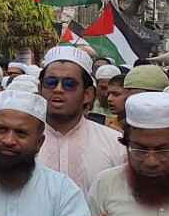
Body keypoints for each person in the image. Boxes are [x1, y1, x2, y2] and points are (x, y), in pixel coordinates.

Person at [35, 45, 126, 190]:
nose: (58, 89)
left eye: (69, 84)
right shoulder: (21, 141)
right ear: (40, 90)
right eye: (51, 83)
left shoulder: (114, 144)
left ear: (87, 95)